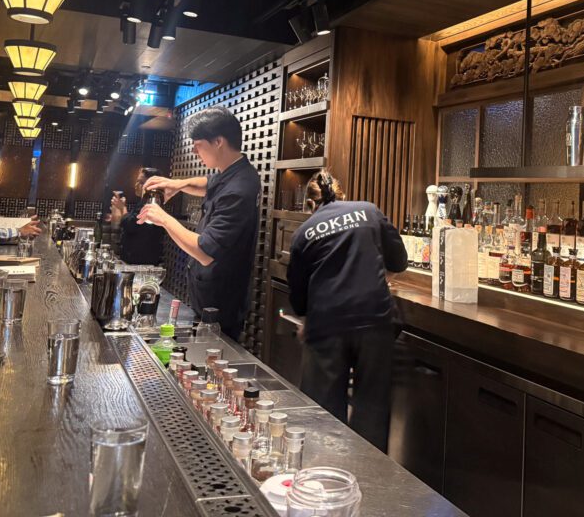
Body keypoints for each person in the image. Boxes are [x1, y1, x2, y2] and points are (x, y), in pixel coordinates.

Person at [286, 171, 408, 452]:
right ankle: (370, 482)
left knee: (323, 413)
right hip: (374, 320)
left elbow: (299, 297)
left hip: (327, 324)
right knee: (373, 410)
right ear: (342, 194)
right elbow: (399, 261)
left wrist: (307, 319)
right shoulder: (369, 211)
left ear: (310, 205)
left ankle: (324, 478)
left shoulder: (304, 231)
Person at [137, 107, 260, 341]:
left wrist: (163, 218)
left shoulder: (239, 189)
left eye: (197, 144)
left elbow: (205, 252)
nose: (194, 150)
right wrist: (178, 184)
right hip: (207, 296)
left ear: (218, 141)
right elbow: (207, 183)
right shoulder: (233, 172)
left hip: (220, 304)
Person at [108, 167, 167, 266]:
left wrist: (123, 208)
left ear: (152, 185)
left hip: (143, 264)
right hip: (134, 262)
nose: (136, 185)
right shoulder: (143, 202)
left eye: (140, 182)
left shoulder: (152, 202)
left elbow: (131, 224)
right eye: (137, 181)